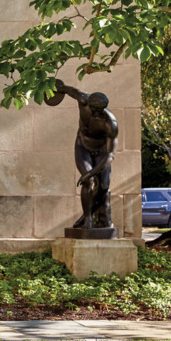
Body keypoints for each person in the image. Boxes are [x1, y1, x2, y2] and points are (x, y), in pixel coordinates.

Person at [54, 79, 119, 229]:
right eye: (94, 110)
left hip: (102, 151)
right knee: (88, 182)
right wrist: (53, 89)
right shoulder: (82, 99)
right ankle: (88, 219)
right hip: (82, 146)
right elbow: (64, 88)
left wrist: (91, 172)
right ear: (88, 104)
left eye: (100, 112)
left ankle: (89, 218)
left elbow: (110, 155)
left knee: (103, 186)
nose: (96, 114)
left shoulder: (110, 124)